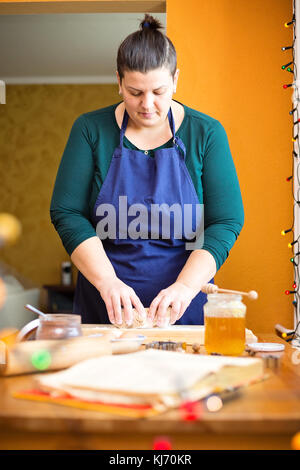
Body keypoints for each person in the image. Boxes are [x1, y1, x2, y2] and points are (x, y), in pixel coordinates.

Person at [50, 14, 244, 327]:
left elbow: (226, 220)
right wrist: (108, 282)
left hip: (181, 311)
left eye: (159, 91)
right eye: (135, 92)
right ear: (118, 81)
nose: (148, 105)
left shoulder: (206, 133)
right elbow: (67, 212)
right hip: (105, 310)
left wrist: (185, 287)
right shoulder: (90, 130)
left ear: (176, 80)